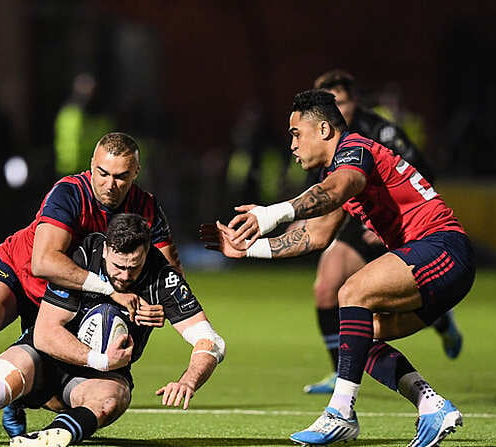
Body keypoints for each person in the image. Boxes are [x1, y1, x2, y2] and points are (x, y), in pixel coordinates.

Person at [202, 89, 473, 446]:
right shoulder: (337, 172)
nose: (293, 145)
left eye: (297, 133)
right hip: (436, 261)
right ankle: (430, 405)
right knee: (362, 336)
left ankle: (341, 412)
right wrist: (248, 248)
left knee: (351, 291)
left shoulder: (355, 150)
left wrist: (271, 213)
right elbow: (314, 236)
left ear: (325, 130)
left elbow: (338, 188)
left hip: (443, 247)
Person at [0, 132, 181, 444]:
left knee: (62, 383)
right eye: (102, 173)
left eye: (120, 176)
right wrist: (111, 290)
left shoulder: (145, 208)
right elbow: (43, 263)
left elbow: (168, 272)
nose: (110, 184)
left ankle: (16, 397)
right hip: (18, 271)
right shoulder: (70, 193)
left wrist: (154, 303)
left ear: (135, 172)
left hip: (66, 297)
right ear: (92, 165)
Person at [0, 213, 224, 446]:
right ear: (106, 249)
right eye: (118, 266)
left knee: (112, 400)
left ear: (146, 255)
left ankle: (50, 437)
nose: (125, 276)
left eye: (134, 267)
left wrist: (188, 380)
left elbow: (210, 341)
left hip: (96, 379)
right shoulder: (81, 257)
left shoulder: (162, 278)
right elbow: (45, 333)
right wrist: (101, 359)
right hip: (46, 358)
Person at [300, 70, 462, 395]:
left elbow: (419, 173)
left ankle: (440, 320)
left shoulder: (379, 131)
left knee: (359, 298)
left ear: (354, 101)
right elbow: (323, 195)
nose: (336, 109)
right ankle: (340, 373)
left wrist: (275, 214)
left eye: (340, 102)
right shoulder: (319, 142)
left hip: (402, 226)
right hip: (356, 221)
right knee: (327, 287)